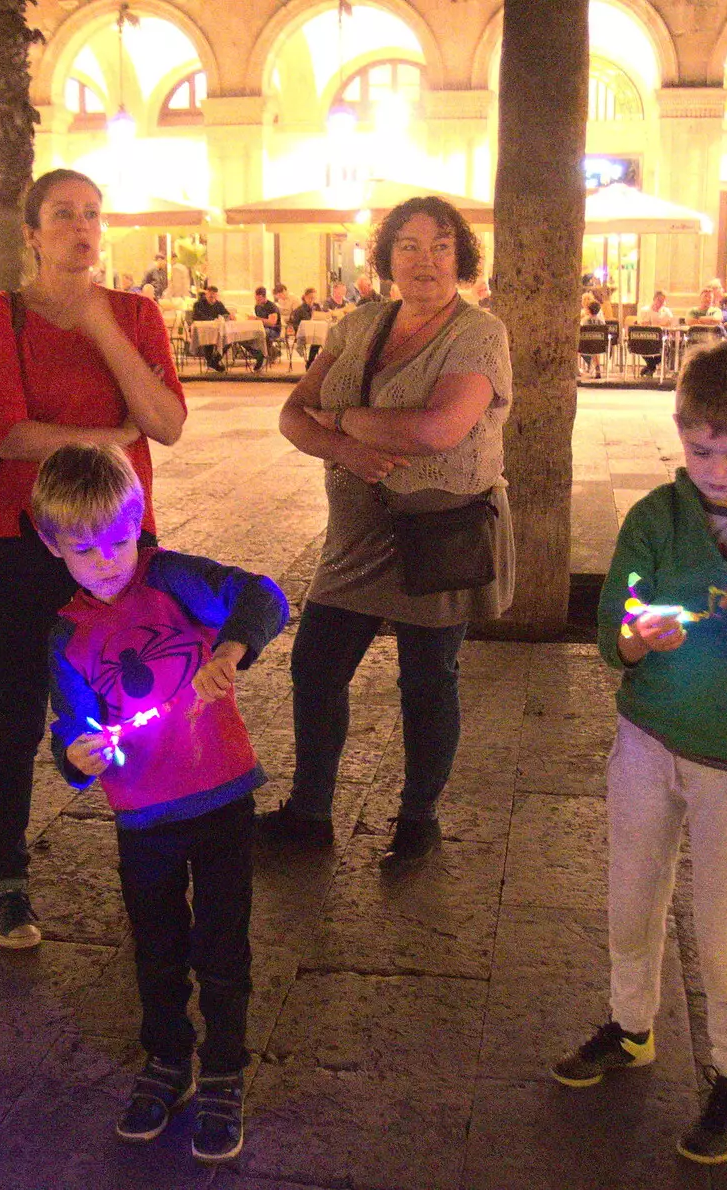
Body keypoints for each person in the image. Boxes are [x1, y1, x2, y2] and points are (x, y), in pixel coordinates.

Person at [556, 340, 727, 1166]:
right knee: (631, 889)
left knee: (724, 915)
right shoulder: (654, 517)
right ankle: (631, 1025)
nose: (716, 467)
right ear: (680, 432)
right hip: (647, 736)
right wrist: (637, 639)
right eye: (702, 449)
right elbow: (613, 632)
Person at [38, 444, 288, 1164]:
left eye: (119, 538)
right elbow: (73, 733)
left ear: (140, 519)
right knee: (155, 946)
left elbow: (265, 596)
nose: (109, 559)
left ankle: (224, 1068)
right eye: (85, 549)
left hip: (219, 798)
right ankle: (167, 1059)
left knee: (221, 942)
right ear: (53, 546)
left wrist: (230, 652)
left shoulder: (175, 578)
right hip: (142, 817)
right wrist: (79, 757)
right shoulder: (66, 635)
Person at [259, 195, 515, 870]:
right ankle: (309, 812)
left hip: (440, 531)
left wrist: (339, 420)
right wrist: (346, 448)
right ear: (385, 256)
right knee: (315, 667)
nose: (424, 260)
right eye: (407, 245)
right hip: (354, 534)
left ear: (461, 255)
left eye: (439, 246)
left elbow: (438, 430)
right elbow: (292, 414)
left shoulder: (479, 332)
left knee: (428, 677)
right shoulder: (357, 326)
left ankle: (418, 820)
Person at [0, 168, 187, 948]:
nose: (80, 227)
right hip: (23, 541)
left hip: (123, 543)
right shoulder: (1, 315)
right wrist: (108, 438)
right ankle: (8, 880)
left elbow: (164, 422)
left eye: (92, 213)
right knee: (23, 712)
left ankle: (157, 873)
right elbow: (9, 434)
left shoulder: (134, 313)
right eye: (62, 215)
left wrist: (103, 329)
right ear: (31, 233)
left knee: (140, 703)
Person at [191, 285, 265, 372]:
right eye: (210, 295)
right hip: (205, 330)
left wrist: (230, 316)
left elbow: (226, 314)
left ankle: (213, 362)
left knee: (230, 338)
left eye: (214, 295)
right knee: (211, 339)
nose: (212, 297)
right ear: (206, 294)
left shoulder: (219, 304)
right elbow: (197, 316)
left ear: (216, 295)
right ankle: (212, 362)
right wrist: (213, 319)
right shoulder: (198, 304)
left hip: (220, 330)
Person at [633, 291, 674, 377]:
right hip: (646, 338)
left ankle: (650, 367)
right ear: (654, 299)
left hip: (662, 339)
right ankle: (651, 367)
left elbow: (670, 324)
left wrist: (655, 324)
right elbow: (645, 325)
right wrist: (660, 325)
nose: (661, 303)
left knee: (667, 348)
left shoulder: (666, 311)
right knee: (641, 346)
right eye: (659, 300)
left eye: (663, 301)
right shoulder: (645, 310)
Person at [290, 287, 322, 367]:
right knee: (317, 339)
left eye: (314, 298)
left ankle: (311, 362)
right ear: (305, 297)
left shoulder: (317, 306)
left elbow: (321, 317)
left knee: (319, 338)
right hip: (303, 333)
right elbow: (296, 324)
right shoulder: (300, 309)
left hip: (315, 331)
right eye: (310, 298)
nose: (312, 300)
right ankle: (310, 362)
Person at [581, 298, 608, 379]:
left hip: (584, 347)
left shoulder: (584, 321)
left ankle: (588, 365)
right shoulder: (602, 322)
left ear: (588, 310)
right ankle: (597, 368)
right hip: (599, 347)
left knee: (589, 345)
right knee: (595, 347)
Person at [254, 285, 282, 362]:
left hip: (274, 330)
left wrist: (256, 319)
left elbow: (272, 323)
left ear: (263, 297)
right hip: (262, 328)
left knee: (261, 333)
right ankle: (265, 354)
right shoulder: (257, 306)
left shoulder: (272, 307)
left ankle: (266, 354)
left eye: (258, 299)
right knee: (253, 334)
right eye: (256, 299)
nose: (257, 301)